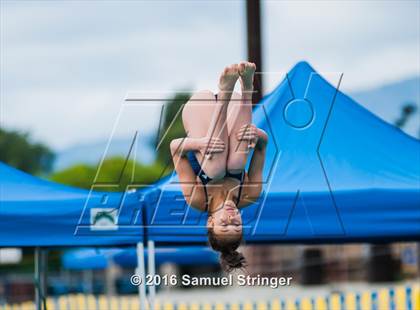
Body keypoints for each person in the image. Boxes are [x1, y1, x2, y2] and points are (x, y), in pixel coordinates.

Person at [170, 62, 268, 272]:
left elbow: (174, 148)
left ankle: (225, 92)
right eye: (237, 224)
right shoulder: (249, 195)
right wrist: (256, 134)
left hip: (200, 111)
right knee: (236, 164)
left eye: (225, 224)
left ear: (210, 222)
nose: (232, 218)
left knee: (215, 171)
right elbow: (262, 146)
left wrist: (199, 144)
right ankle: (246, 90)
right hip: (236, 108)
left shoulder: (198, 200)